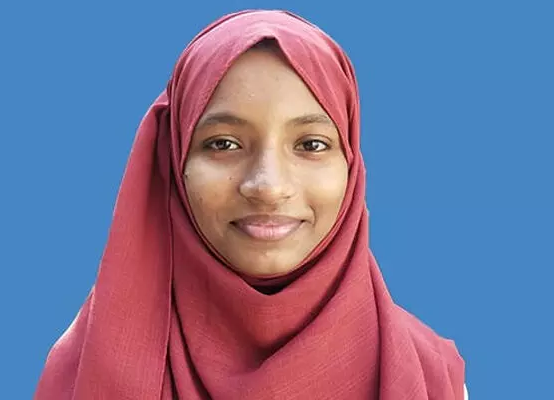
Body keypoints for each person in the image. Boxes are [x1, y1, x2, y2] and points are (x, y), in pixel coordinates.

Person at [34, 9, 467, 400]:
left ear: (351, 165)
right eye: (223, 143)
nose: (267, 186)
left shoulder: (431, 379)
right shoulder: (82, 374)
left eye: (311, 144)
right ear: (174, 161)